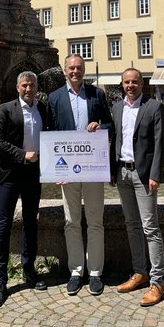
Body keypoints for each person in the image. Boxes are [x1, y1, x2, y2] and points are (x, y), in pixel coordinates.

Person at [48, 54, 111, 296]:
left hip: (92, 166)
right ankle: (76, 270)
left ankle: (95, 272)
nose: (75, 71)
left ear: (84, 70)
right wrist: (55, 169)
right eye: (71, 68)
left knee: (95, 221)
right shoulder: (55, 98)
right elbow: (51, 133)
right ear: (65, 71)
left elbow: (109, 125)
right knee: (71, 221)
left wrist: (100, 127)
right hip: (68, 169)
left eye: (79, 68)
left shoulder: (97, 94)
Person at [110, 68, 164, 307]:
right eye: (126, 82)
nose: (130, 85)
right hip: (123, 172)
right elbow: (115, 140)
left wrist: (155, 174)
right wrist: (112, 171)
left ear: (141, 84)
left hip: (144, 176)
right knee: (132, 225)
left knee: (150, 228)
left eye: (134, 82)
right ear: (122, 84)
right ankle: (139, 272)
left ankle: (158, 282)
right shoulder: (117, 108)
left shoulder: (154, 107)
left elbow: (160, 142)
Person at [0, 71, 47, 308]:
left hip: (34, 175)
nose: (28, 88)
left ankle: (28, 269)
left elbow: (53, 135)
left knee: (31, 222)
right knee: (3, 224)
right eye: (24, 85)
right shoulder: (6, 109)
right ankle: (0, 280)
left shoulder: (42, 108)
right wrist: (22, 155)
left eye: (32, 85)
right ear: (17, 87)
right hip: (11, 175)